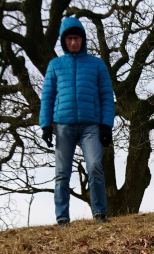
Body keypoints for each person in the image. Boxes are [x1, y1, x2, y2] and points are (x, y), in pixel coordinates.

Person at [39, 16, 115, 228]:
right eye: (69, 38)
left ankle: (100, 213)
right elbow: (47, 96)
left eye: (77, 38)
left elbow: (107, 97)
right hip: (63, 126)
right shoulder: (55, 65)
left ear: (83, 40)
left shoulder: (97, 65)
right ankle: (62, 218)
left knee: (95, 166)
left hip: (91, 125)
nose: (73, 42)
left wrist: (107, 125)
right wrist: (45, 124)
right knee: (62, 173)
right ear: (64, 41)